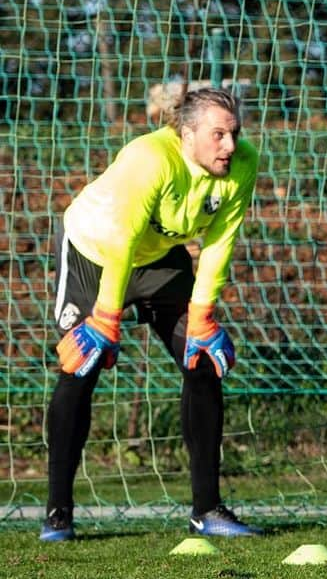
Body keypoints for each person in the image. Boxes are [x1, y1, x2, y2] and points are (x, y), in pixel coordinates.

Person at [40, 87, 261, 540]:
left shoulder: (242, 164)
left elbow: (221, 240)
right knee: (79, 365)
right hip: (95, 253)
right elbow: (122, 237)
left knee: (200, 361)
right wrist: (105, 318)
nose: (230, 146)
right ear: (186, 133)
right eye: (218, 135)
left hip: (159, 259)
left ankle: (208, 510)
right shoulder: (149, 158)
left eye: (233, 133)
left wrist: (202, 315)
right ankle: (57, 512)